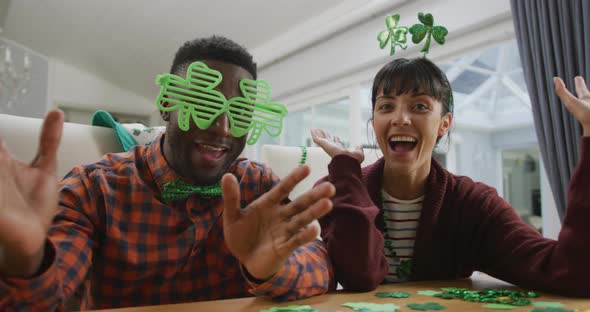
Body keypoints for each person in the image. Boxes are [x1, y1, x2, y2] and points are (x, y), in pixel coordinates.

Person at [0, 36, 336, 310]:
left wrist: (269, 268)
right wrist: (27, 255)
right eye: (202, 105)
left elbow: (321, 267)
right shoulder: (95, 189)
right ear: (165, 103)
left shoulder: (258, 186)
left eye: (239, 113)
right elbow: (46, 299)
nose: (222, 128)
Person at [312, 57, 590, 296]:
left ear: (445, 123)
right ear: (374, 122)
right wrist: (345, 169)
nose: (401, 118)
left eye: (419, 106)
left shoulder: (474, 205)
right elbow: (359, 276)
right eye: (386, 106)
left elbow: (569, 272)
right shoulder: (337, 190)